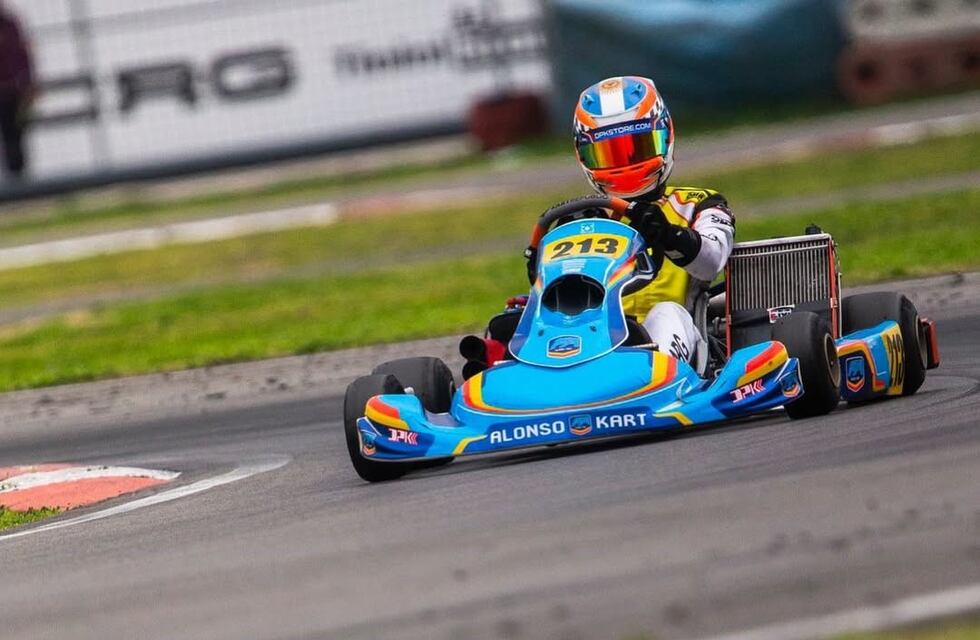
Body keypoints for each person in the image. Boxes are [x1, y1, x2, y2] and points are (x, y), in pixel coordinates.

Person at [534, 75, 735, 374]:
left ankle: (656, 377)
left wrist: (670, 235)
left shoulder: (698, 204)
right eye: (608, 154)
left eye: (637, 148)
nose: (625, 165)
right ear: (584, 156)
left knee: (666, 312)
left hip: (677, 335)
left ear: (665, 136)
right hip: (595, 338)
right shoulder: (583, 221)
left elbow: (711, 262)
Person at [0, 2, 35, 178]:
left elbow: (23, 56)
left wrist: (28, 84)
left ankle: (18, 179)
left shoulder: (10, 24)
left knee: (14, 136)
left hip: (11, 92)